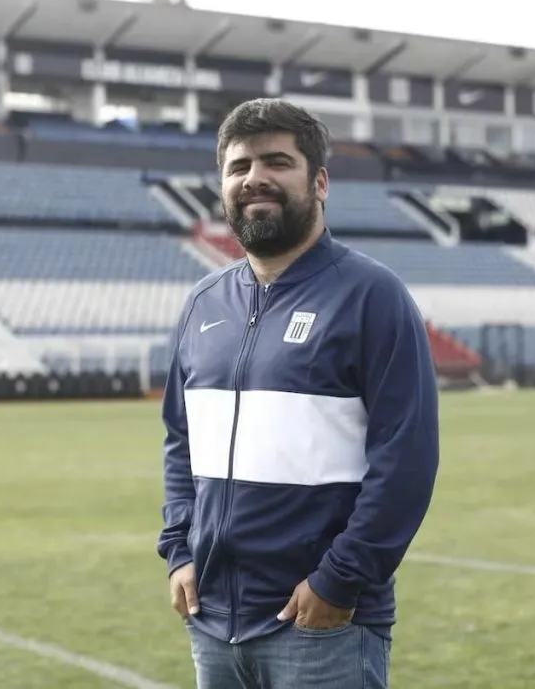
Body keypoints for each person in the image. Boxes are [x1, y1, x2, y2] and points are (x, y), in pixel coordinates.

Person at [156, 98, 440, 688]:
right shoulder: (203, 304)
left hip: (318, 625)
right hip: (213, 621)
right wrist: (179, 551)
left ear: (319, 182)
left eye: (276, 162)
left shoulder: (371, 296)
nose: (254, 177)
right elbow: (182, 445)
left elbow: (406, 460)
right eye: (238, 167)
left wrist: (339, 580)